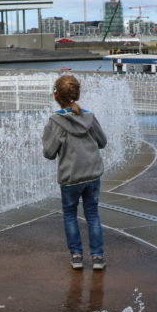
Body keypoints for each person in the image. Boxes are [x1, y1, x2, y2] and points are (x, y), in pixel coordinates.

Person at [42, 74, 107, 270]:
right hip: (92, 174)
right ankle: (97, 257)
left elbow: (49, 153)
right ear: (76, 95)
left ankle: (77, 256)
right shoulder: (89, 116)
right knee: (92, 214)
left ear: (56, 96)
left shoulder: (56, 121)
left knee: (70, 215)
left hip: (70, 178)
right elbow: (102, 142)